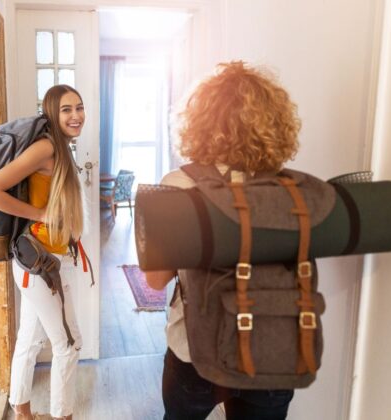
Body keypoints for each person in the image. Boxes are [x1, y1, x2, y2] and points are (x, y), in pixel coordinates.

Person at [144, 61, 301, 420]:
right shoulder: (292, 188)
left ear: (200, 122)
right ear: (275, 123)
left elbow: (155, 280)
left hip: (196, 351)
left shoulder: (177, 184)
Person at [0, 84, 85, 420]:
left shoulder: (63, 148)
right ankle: (61, 416)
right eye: (66, 109)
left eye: (79, 107)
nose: (76, 115)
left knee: (30, 339)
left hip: (44, 261)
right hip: (40, 263)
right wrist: (40, 215)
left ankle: (22, 411)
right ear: (52, 112)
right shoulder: (46, 147)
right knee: (68, 345)